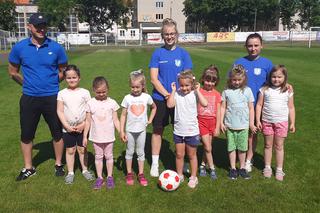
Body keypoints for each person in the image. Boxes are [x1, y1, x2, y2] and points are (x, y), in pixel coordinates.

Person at [8, 13, 68, 181]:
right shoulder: (20, 47)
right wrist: (26, 84)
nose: (41, 29)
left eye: (43, 25)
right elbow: (13, 72)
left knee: (57, 133)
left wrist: (52, 83)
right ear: (29, 27)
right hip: (29, 98)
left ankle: (58, 164)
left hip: (52, 97)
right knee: (26, 134)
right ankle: (29, 168)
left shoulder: (56, 48)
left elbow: (64, 70)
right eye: (37, 26)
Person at [149, 18, 193, 177]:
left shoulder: (183, 53)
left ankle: (185, 161)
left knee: (182, 132)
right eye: (166, 34)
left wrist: (175, 96)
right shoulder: (157, 53)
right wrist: (168, 95)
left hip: (180, 99)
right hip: (160, 98)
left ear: (177, 34)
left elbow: (188, 78)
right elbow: (154, 79)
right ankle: (154, 163)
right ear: (162, 35)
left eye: (172, 33)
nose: (169, 36)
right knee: (157, 130)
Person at [233, 33, 273, 172]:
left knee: (252, 134)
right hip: (242, 106)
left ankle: (249, 159)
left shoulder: (267, 64)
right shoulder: (239, 62)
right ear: (245, 46)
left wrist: (287, 86)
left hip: (260, 106)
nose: (253, 48)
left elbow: (275, 81)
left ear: (262, 46)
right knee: (240, 133)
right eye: (250, 45)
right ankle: (242, 156)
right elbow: (232, 82)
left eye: (256, 45)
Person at [167, 70, 208, 188]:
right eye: (182, 85)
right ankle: (179, 175)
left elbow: (205, 103)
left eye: (187, 85)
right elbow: (169, 105)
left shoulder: (195, 94)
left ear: (192, 84)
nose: (184, 88)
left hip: (192, 131)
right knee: (179, 155)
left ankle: (193, 177)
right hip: (179, 131)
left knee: (191, 155)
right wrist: (174, 91)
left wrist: (198, 91)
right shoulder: (177, 93)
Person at [255, 65, 295, 181]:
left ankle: (279, 169)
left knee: (279, 146)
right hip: (267, 121)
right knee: (268, 145)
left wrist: (292, 122)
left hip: (282, 123)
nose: (276, 79)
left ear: (284, 77)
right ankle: (267, 167)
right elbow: (259, 105)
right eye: (273, 77)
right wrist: (258, 120)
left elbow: (291, 107)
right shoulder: (264, 90)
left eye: (279, 77)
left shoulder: (288, 90)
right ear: (270, 77)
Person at [56, 65, 94, 184]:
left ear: (79, 78)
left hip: (83, 127)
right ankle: (71, 172)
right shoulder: (62, 93)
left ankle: (85, 170)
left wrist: (84, 124)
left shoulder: (85, 92)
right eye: (69, 78)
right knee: (70, 150)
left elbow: (90, 110)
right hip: (68, 128)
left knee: (82, 149)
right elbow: (60, 111)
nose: (71, 80)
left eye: (74, 77)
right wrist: (66, 126)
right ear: (65, 79)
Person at [120, 70, 157, 186]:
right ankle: (129, 173)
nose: (135, 90)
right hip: (130, 130)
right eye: (132, 87)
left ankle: (140, 174)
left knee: (140, 152)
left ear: (142, 86)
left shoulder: (146, 97)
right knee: (130, 151)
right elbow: (123, 115)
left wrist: (150, 120)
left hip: (142, 130)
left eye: (137, 87)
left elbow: (154, 107)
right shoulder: (127, 98)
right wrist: (121, 131)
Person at [83, 76, 120, 190]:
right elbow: (87, 121)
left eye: (104, 91)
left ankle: (109, 176)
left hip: (109, 136)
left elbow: (116, 120)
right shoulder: (90, 103)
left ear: (108, 89)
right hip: (96, 137)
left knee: (109, 156)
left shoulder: (112, 103)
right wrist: (85, 136)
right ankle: (99, 177)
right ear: (93, 90)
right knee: (98, 157)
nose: (101, 94)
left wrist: (121, 131)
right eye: (98, 92)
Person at [220, 65, 257, 180]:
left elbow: (251, 108)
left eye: (239, 80)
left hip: (244, 126)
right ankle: (232, 168)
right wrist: (221, 122)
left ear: (244, 79)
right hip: (230, 126)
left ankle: (242, 168)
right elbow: (223, 108)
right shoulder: (226, 91)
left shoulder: (248, 91)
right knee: (231, 148)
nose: (236, 82)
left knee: (242, 148)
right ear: (230, 79)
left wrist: (251, 123)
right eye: (234, 80)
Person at [197, 65, 221, 180]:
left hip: (213, 122)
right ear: (203, 79)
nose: (209, 83)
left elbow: (219, 111)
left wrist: (217, 127)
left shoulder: (217, 94)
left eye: (212, 81)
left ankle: (202, 165)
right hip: (202, 122)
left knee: (208, 147)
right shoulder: (199, 92)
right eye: (207, 80)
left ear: (216, 82)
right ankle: (212, 168)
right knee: (207, 147)